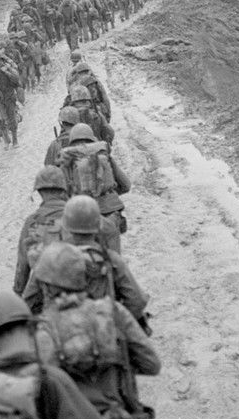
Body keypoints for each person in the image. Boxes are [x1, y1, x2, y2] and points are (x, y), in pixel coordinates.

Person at [32, 244, 160, 419]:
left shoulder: (43, 333)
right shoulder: (113, 312)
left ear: (46, 285)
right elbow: (152, 364)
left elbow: (39, 400)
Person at [24, 196, 149, 330]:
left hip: (60, 333)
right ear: (99, 225)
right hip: (102, 331)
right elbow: (137, 301)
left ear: (66, 225)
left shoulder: (50, 258)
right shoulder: (111, 259)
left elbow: (29, 302)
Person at [14, 166, 121, 297]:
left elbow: (22, 266)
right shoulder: (79, 212)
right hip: (84, 290)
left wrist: (18, 292)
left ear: (39, 192)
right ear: (64, 190)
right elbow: (111, 229)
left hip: (45, 291)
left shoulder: (31, 221)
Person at [59, 124, 130, 238]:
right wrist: (107, 192)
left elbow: (63, 195)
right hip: (110, 212)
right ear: (91, 137)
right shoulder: (104, 155)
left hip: (83, 215)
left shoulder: (68, 160)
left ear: (72, 139)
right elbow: (126, 185)